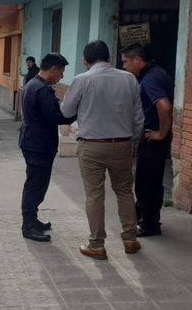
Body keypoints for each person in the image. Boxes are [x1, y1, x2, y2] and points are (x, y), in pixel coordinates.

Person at [61, 40, 143, 260]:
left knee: (94, 195)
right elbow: (138, 118)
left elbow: (67, 110)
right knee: (125, 191)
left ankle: (97, 245)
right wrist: (133, 143)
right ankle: (130, 240)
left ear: (86, 61)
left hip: (92, 146)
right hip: (123, 143)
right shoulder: (129, 79)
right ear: (109, 57)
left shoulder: (81, 80)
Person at [19, 53, 75, 242]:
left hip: (33, 142)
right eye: (61, 72)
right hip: (38, 144)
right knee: (35, 186)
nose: (61, 77)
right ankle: (28, 226)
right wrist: (76, 112)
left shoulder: (33, 84)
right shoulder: (41, 90)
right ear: (53, 69)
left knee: (36, 184)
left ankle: (32, 220)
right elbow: (56, 117)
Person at [121, 43, 174, 237]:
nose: (125, 67)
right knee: (151, 180)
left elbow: (165, 106)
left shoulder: (151, 79)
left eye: (126, 62)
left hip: (153, 137)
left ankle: (149, 224)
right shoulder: (156, 73)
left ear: (138, 60)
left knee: (146, 182)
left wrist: (160, 133)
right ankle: (143, 216)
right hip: (153, 135)